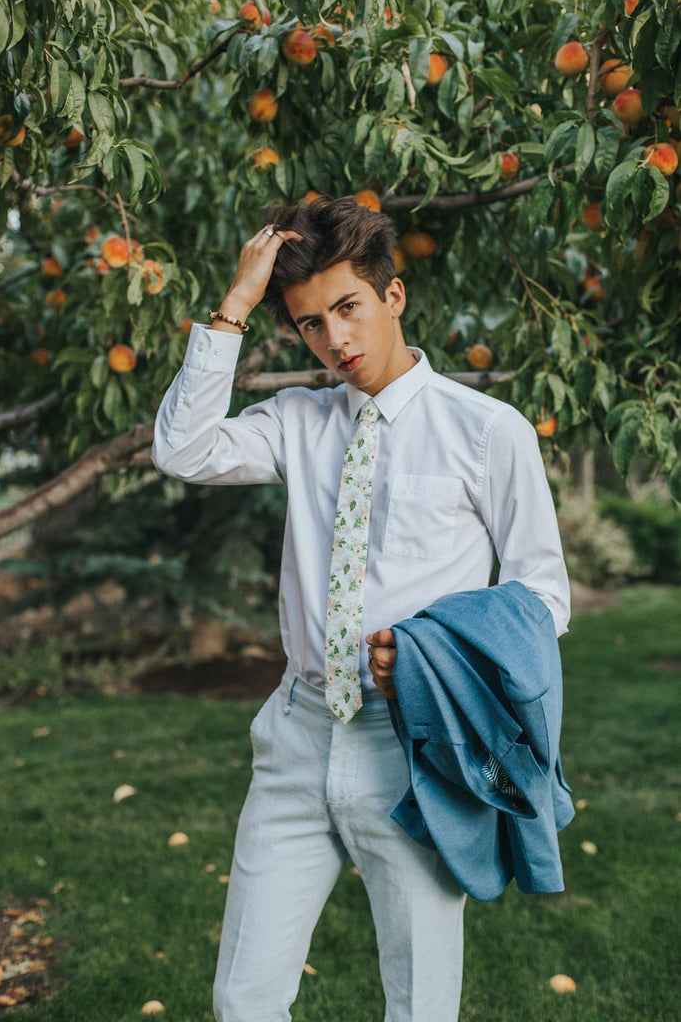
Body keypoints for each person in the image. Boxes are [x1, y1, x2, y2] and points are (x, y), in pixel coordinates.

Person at [151, 196, 570, 1022]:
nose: (333, 341)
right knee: (243, 998)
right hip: (296, 737)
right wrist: (233, 308)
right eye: (309, 324)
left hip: (414, 744)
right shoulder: (296, 425)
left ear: (393, 297)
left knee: (418, 1003)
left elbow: (542, 595)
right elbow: (183, 448)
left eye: (346, 309)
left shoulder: (487, 431)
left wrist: (427, 650)